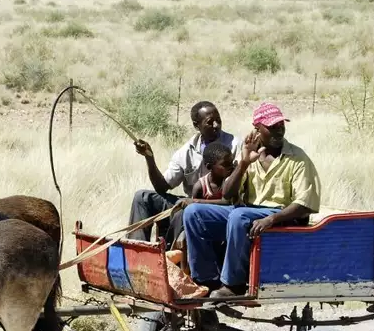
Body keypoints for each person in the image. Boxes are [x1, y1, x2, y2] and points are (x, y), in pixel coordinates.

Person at [182, 102, 321, 299]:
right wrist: (245, 163)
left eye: (281, 125)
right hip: (248, 213)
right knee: (193, 213)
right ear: (257, 130)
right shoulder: (251, 156)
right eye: (272, 127)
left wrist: (271, 219)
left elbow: (305, 204)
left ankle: (234, 284)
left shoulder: (297, 158)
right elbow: (228, 195)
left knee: (239, 215)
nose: (279, 130)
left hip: (282, 216)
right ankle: (206, 280)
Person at [128, 101, 239, 244]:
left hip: (220, 206)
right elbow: (163, 187)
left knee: (185, 211)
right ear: (196, 125)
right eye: (210, 122)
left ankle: (170, 255)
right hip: (190, 202)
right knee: (142, 197)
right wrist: (149, 157)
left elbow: (231, 196)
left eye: (218, 120)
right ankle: (137, 252)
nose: (216, 125)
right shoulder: (185, 152)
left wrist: (193, 202)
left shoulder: (235, 145)